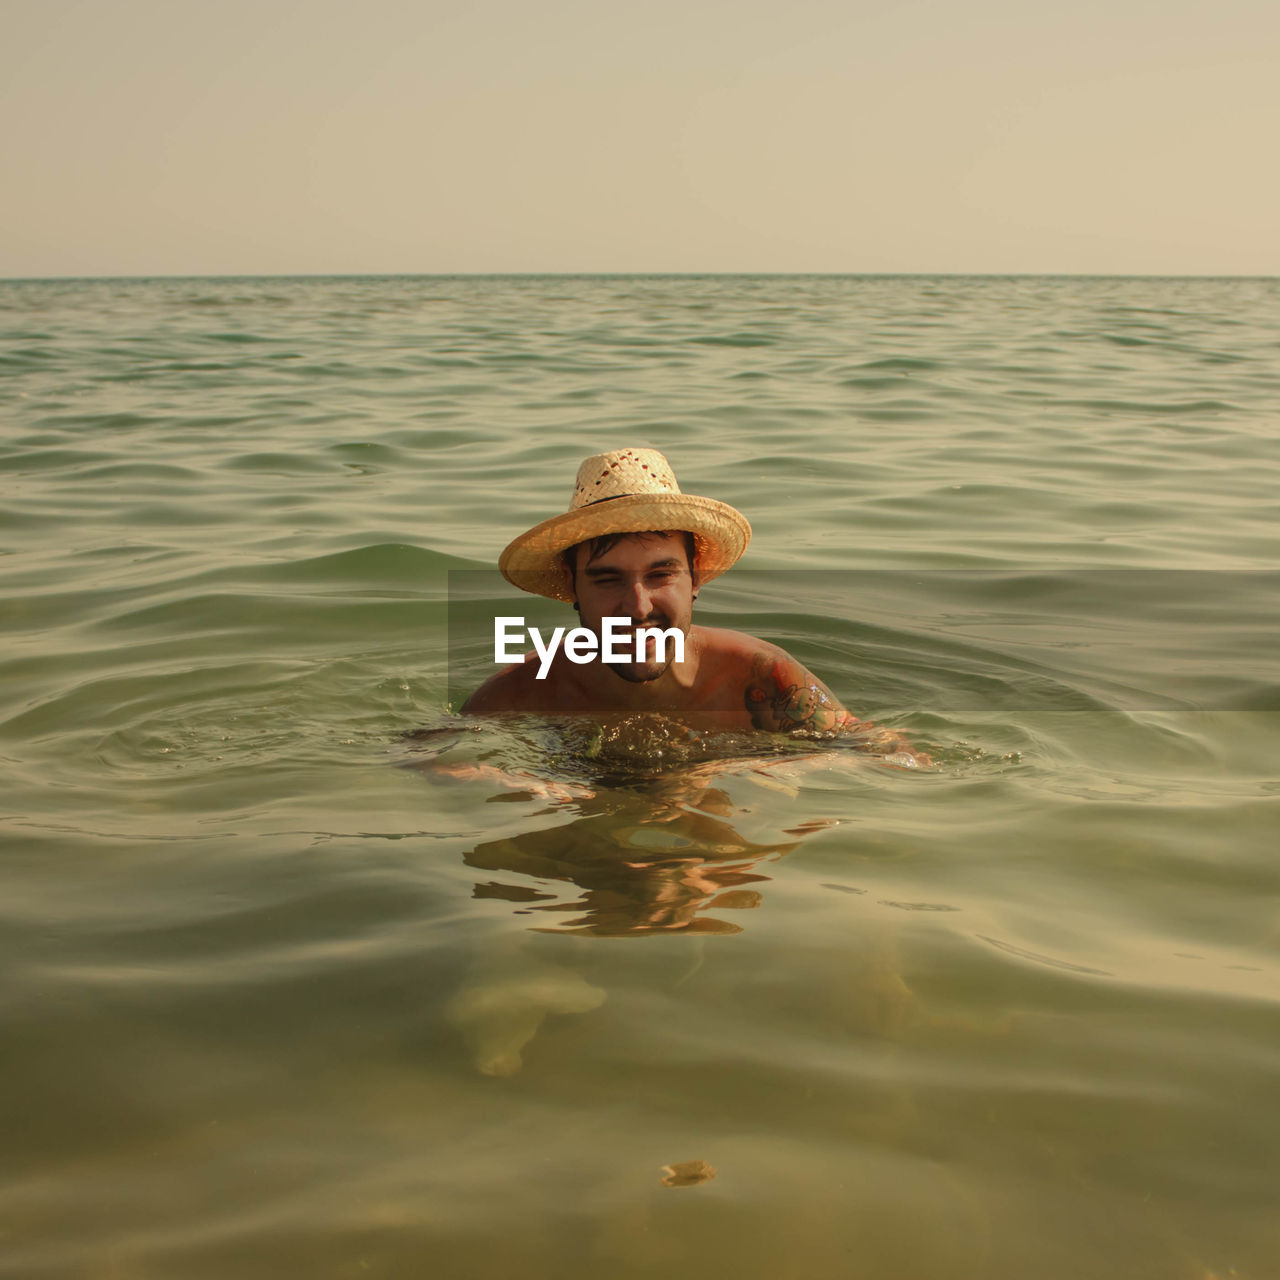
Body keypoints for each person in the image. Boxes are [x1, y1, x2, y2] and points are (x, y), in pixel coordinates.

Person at [463, 448, 923, 758]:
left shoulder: (762, 675)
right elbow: (429, 761)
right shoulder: (522, 691)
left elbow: (890, 755)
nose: (638, 607)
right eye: (607, 579)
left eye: (660, 574)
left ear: (696, 577)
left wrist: (773, 769)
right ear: (572, 586)